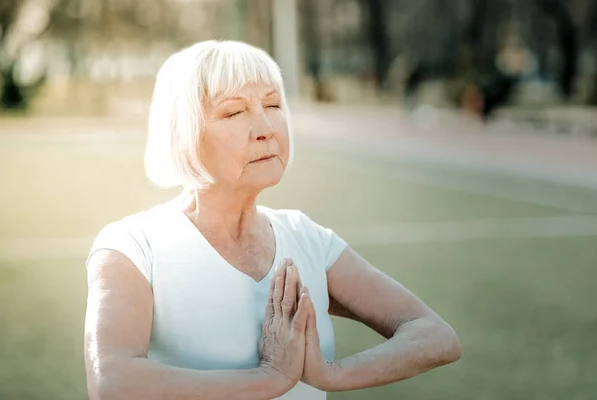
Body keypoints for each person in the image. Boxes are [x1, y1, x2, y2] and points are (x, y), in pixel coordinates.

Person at [84, 40, 461, 400]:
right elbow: (113, 383)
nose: (266, 128)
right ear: (183, 133)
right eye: (233, 111)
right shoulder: (132, 246)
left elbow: (435, 336)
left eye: (273, 104)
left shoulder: (308, 238)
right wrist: (269, 380)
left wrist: (331, 373)